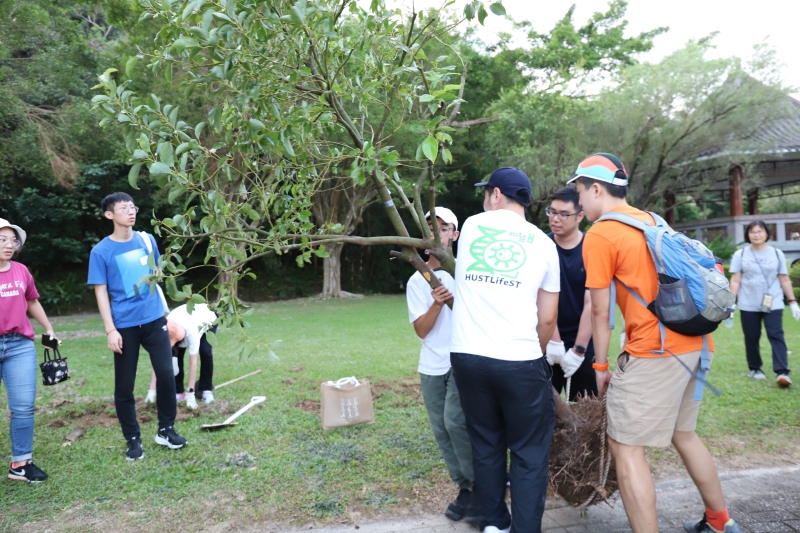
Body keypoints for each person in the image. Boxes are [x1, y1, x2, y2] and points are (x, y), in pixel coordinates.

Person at [571, 153, 743, 533]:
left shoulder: (600, 233)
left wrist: (600, 368)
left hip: (655, 352)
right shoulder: (652, 220)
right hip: (695, 344)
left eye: (579, 192)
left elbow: (599, 312)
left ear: (596, 188)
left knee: (627, 448)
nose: (579, 203)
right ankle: (719, 521)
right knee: (684, 434)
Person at [450, 168, 560, 533]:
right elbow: (547, 319)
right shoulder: (545, 244)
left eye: (487, 193)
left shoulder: (470, 227)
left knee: (486, 442)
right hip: (519, 359)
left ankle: (494, 523)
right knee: (529, 452)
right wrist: (535, 355)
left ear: (495, 195)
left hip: (467, 356)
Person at [87, 192, 187, 461]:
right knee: (124, 386)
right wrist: (111, 330)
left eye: (132, 207)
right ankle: (132, 439)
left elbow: (156, 273)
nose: (130, 212)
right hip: (125, 326)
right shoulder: (101, 251)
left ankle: (166, 429)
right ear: (110, 215)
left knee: (167, 374)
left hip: (155, 320)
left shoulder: (146, 239)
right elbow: (100, 292)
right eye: (123, 208)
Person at [406, 207, 479, 524]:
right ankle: (465, 488)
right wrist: (437, 303)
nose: (436, 233)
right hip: (431, 365)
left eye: (443, 227)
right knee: (441, 430)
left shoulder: (468, 272)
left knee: (455, 422)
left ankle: (480, 487)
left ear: (455, 235)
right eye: (430, 228)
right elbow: (421, 330)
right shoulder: (417, 278)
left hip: (463, 360)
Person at [0, 219, 55, 482]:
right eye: (2, 239)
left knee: (23, 408)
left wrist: (48, 328)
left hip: (19, 346)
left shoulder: (21, 271)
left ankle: (20, 464)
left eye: (13, 240)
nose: (9, 245)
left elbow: (31, 301)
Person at [544, 187, 598, 401]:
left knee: (585, 412)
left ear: (580, 216)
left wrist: (578, 350)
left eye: (564, 214)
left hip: (583, 341)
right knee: (546, 410)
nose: (556, 219)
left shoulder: (591, 248)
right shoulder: (543, 246)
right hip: (548, 337)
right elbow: (543, 298)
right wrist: (554, 341)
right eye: (552, 212)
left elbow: (592, 303)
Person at [729, 220, 796, 387]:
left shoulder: (776, 253)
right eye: (753, 232)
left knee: (776, 334)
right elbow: (736, 280)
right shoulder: (741, 254)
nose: (756, 234)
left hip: (773, 302)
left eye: (760, 231)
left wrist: (793, 301)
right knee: (751, 336)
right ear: (748, 235)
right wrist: (731, 302)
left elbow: (784, 278)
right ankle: (755, 369)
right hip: (748, 302)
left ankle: (782, 372)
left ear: (767, 233)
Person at [146, 303, 219, 408]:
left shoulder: (192, 331)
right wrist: (152, 390)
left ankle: (206, 390)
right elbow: (158, 359)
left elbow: (193, 363)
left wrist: (190, 394)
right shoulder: (165, 327)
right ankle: (178, 391)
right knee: (176, 355)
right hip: (184, 320)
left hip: (208, 318)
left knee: (205, 351)